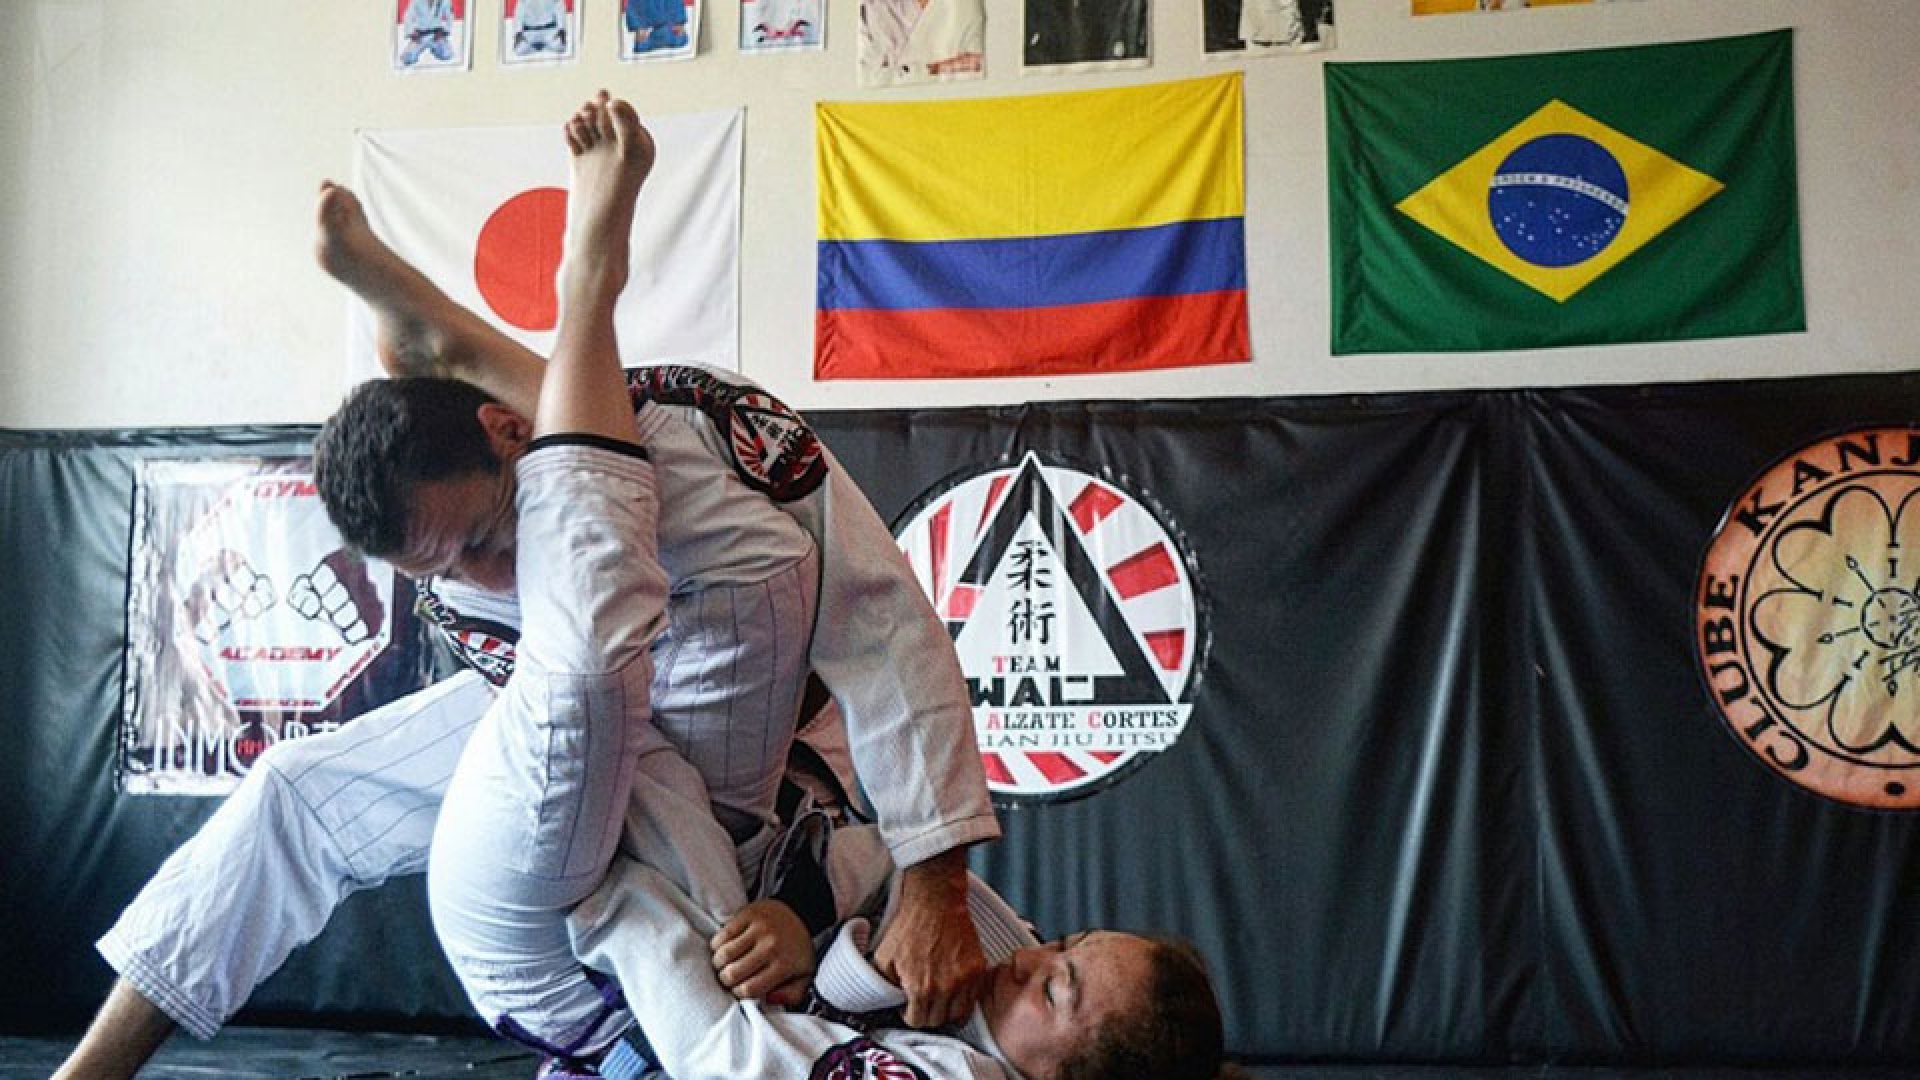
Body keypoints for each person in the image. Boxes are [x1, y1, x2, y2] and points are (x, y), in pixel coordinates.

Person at [53, 118, 995, 1080]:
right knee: (297, 788)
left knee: (628, 586)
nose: (488, 576)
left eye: (485, 540)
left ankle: (549, 307)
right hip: (571, 774)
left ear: (506, 433)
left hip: (703, 761)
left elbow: (881, 623)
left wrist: (933, 879)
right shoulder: (473, 575)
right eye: (444, 572)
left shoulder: (705, 433)